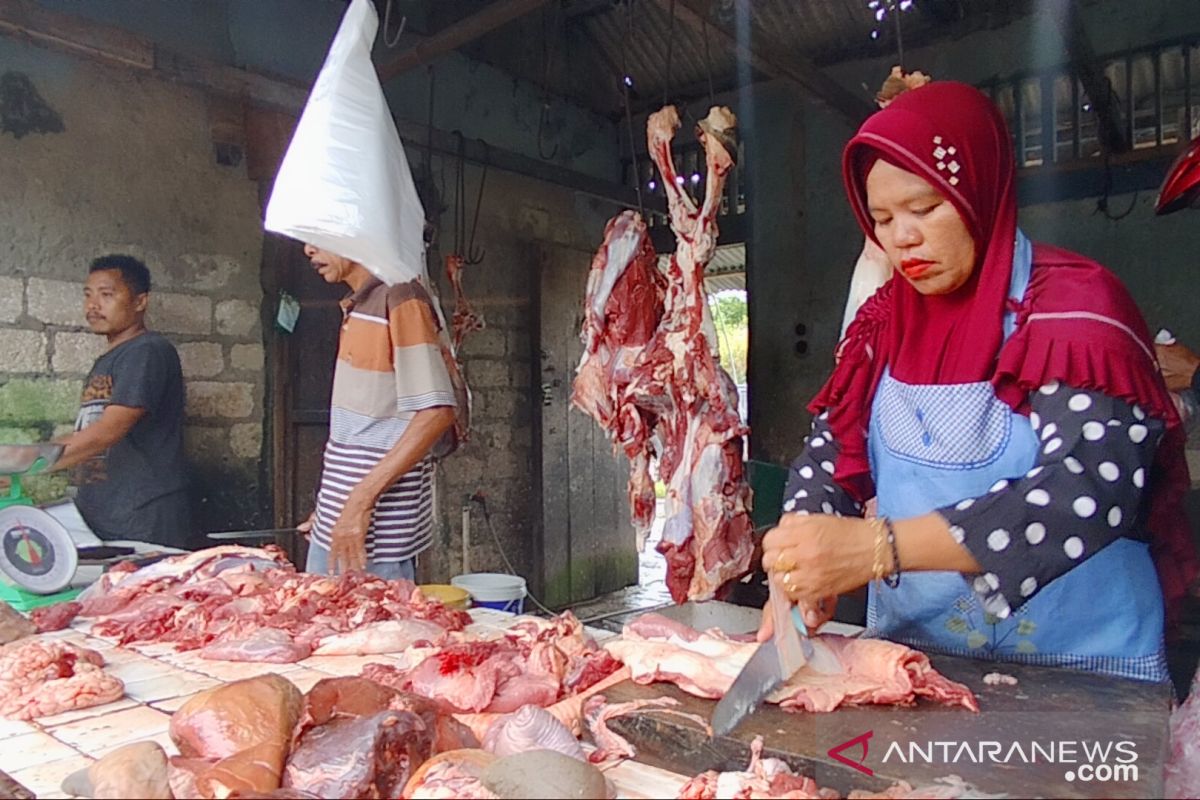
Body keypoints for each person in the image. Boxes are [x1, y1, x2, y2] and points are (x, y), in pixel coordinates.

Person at [759, 82, 1198, 682]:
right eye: (882, 218)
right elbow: (829, 454)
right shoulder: (883, 324)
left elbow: (1088, 491)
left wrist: (875, 548)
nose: (902, 238)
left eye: (925, 209)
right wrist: (798, 559)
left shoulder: (1075, 308)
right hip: (921, 666)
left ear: (979, 192)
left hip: (1082, 669)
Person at [297, 244, 459, 579]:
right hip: (337, 529)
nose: (308, 249)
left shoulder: (400, 297)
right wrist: (330, 506)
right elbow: (362, 429)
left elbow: (437, 411)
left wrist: (359, 502)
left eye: (318, 235)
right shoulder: (359, 305)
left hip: (375, 545)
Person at [52, 255, 196, 548]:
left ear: (140, 301)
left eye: (107, 295)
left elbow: (108, 430)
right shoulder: (110, 360)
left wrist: (29, 464)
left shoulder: (147, 351)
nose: (93, 305)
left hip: (144, 516)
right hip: (107, 513)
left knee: (147, 592)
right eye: (88, 295)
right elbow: (87, 434)